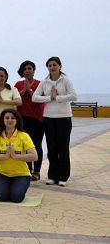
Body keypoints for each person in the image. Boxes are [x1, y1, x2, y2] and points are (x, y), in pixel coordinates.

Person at [32, 57, 77, 186]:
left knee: (63, 148)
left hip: (64, 118)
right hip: (48, 118)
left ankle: (63, 176)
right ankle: (52, 176)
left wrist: (56, 98)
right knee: (52, 148)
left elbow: (74, 96)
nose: (52, 68)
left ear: (60, 66)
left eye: (54, 65)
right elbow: (35, 97)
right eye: (49, 66)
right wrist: (49, 98)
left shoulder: (66, 80)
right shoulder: (45, 82)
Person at [0, 109, 38, 202]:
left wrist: (15, 156)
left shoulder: (24, 136)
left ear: (17, 120)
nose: (10, 120)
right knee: (1, 197)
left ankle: (17, 186)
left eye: (13, 118)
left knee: (16, 198)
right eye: (7, 118)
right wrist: (4, 156)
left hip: (21, 174)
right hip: (2, 173)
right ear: (3, 120)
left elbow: (34, 156)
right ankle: (8, 187)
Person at [14, 60, 44, 181]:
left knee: (36, 145)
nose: (27, 71)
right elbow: (16, 99)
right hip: (22, 119)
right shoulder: (18, 84)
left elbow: (41, 100)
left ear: (33, 70)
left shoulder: (40, 84)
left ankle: (37, 171)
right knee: (24, 146)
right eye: (25, 69)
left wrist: (30, 91)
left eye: (29, 68)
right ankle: (28, 170)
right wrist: (24, 91)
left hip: (37, 119)